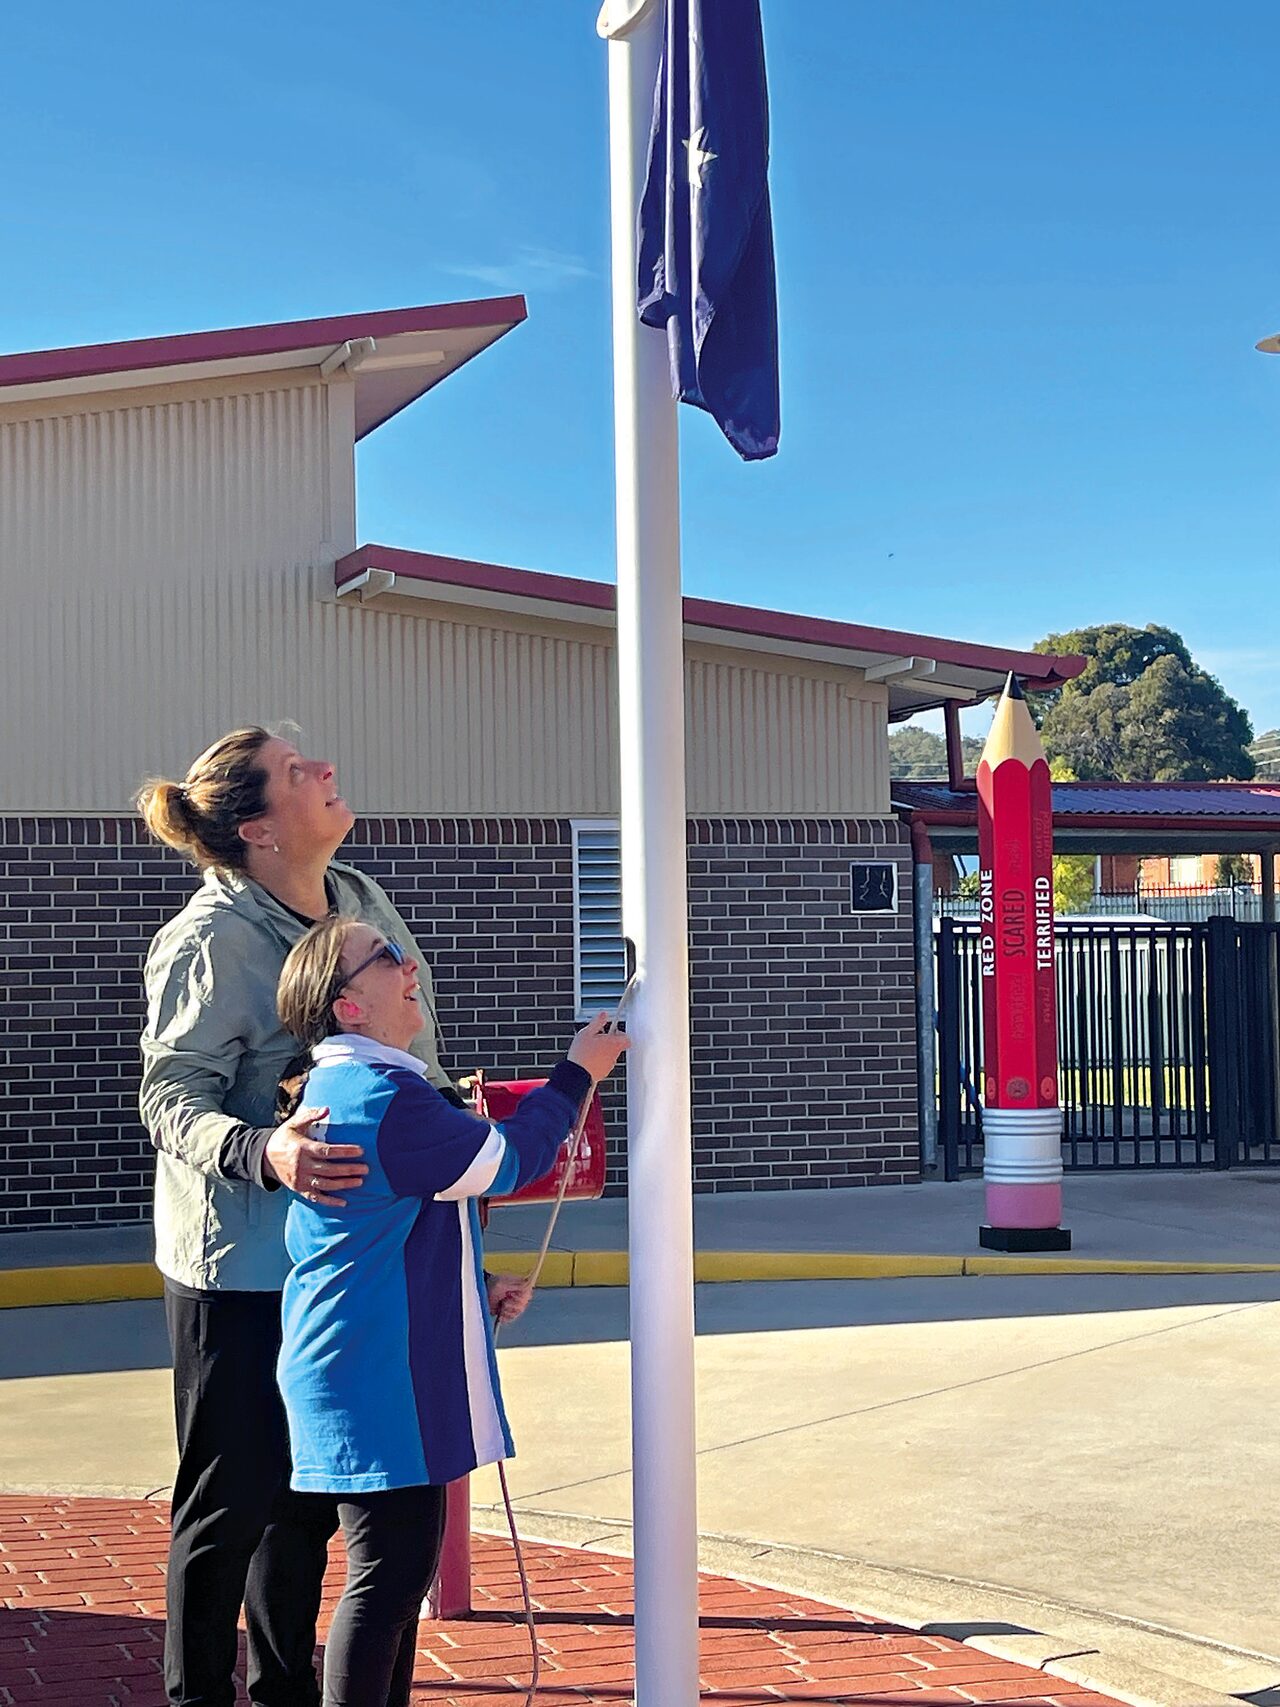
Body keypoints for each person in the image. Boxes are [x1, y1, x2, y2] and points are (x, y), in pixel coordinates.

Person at [137, 726, 460, 1707]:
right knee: (231, 1513)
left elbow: (413, 1054)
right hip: (236, 1271)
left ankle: (290, 1692)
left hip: (349, 1268)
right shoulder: (212, 940)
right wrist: (263, 1149)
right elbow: (171, 1096)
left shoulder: (361, 899)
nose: (325, 769)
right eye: (296, 771)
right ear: (258, 829)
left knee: (316, 1509)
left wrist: (452, 1153)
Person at [273, 916, 629, 1707]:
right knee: (388, 1578)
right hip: (372, 1374)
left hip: (364, 1365)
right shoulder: (378, 1093)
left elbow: (391, 1226)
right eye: (388, 957)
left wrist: (478, 1280)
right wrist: (578, 1073)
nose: (410, 965)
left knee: (397, 1576)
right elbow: (508, 1159)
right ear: (348, 1006)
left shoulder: (357, 1087)